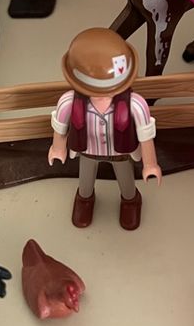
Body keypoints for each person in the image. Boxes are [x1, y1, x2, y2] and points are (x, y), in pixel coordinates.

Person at [48, 28, 161, 231]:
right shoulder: (69, 102)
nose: (102, 96)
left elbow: (145, 136)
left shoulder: (135, 104)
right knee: (85, 183)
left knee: (127, 184)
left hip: (120, 153)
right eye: (94, 89)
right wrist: (57, 148)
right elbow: (60, 126)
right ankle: (85, 200)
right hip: (87, 151)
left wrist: (150, 164)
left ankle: (130, 201)